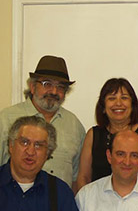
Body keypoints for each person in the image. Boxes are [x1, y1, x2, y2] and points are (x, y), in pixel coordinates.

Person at [0, 56, 85, 189]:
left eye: (61, 87)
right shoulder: (6, 119)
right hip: (11, 204)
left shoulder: (74, 126)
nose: (54, 91)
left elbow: (77, 179)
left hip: (56, 207)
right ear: (32, 86)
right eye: (47, 84)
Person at [76, 77, 138, 191]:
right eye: (112, 98)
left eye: (124, 98)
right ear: (103, 107)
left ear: (132, 104)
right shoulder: (93, 135)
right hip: (100, 205)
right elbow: (83, 177)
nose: (118, 103)